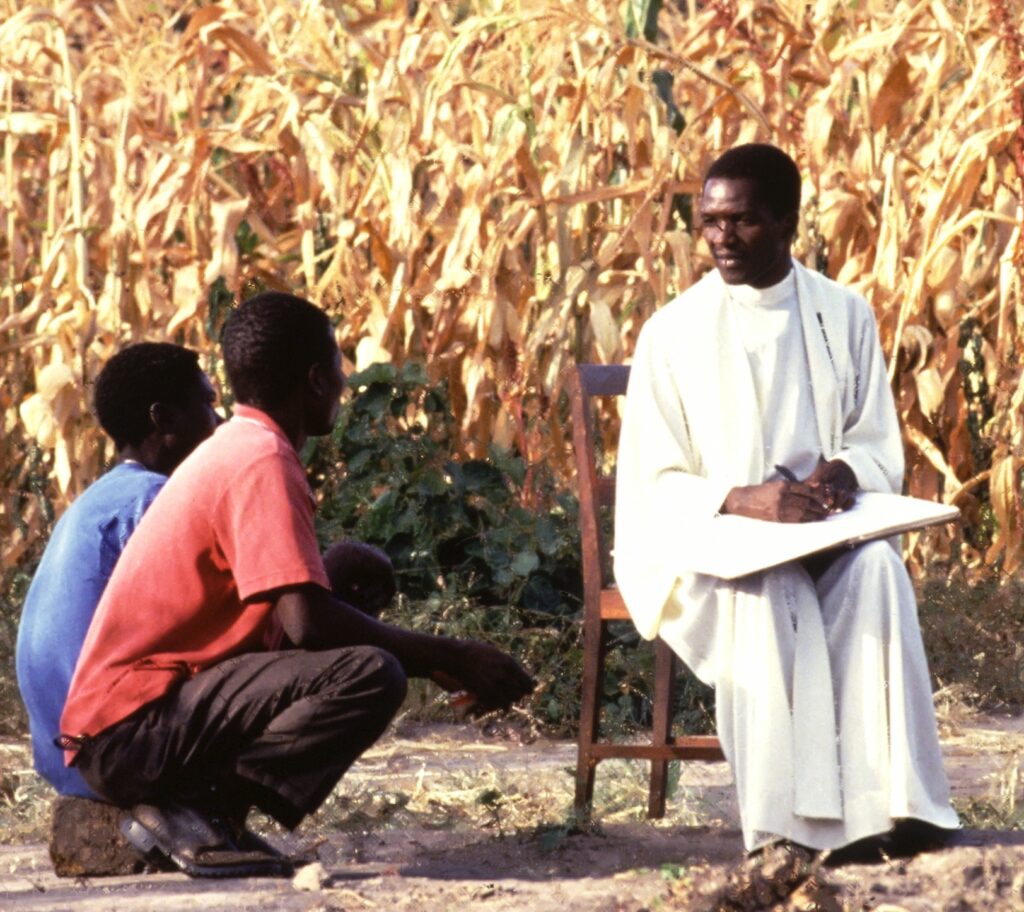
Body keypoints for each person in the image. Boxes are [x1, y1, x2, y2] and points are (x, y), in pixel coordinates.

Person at [59, 291, 535, 878]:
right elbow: (306, 624)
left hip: (130, 729)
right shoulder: (260, 458)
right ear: (314, 380)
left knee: (370, 650)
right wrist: (451, 654)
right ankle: (201, 812)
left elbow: (281, 605)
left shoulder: (240, 446)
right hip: (130, 734)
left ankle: (197, 811)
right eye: (337, 368)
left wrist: (338, 568)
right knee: (371, 672)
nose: (342, 382)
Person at [613, 144, 959, 862]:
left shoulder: (844, 312)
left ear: (786, 221)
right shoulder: (670, 333)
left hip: (825, 538)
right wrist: (744, 499)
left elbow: (875, 443)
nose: (721, 239)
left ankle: (896, 810)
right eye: (709, 222)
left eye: (741, 222)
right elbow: (653, 481)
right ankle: (785, 830)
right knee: (769, 592)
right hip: (713, 551)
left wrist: (842, 471)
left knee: (879, 576)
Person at [16, 342, 219, 801]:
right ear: (164, 420)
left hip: (62, 759)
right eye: (208, 404)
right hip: (109, 753)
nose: (219, 422)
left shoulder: (99, 500)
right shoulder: (150, 500)